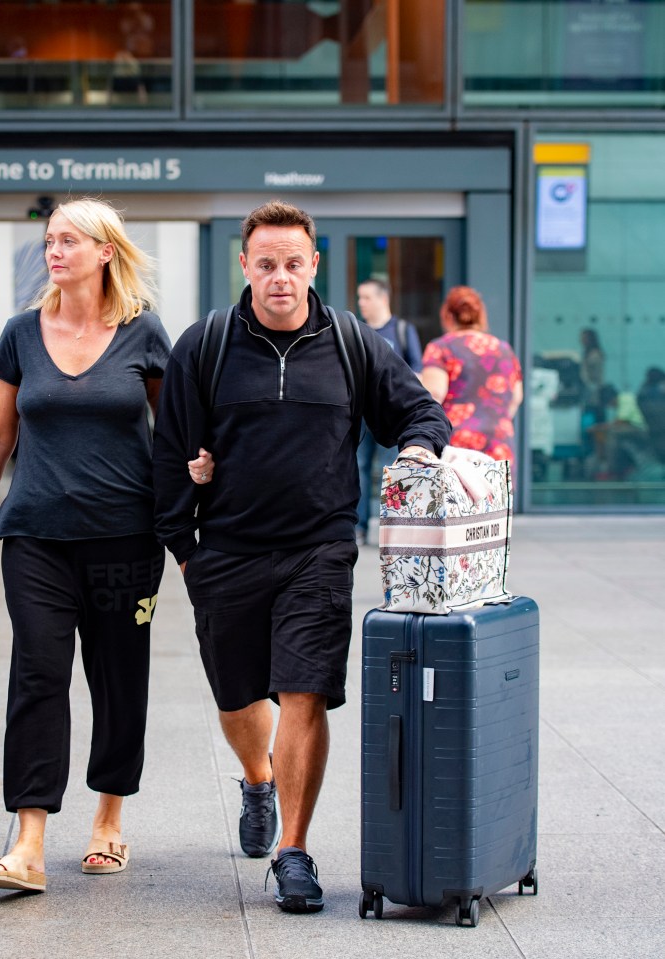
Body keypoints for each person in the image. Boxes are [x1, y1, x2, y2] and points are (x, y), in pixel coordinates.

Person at [152, 200, 450, 914]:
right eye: (266, 264)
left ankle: (293, 848)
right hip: (225, 551)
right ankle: (258, 775)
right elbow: (169, 452)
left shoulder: (351, 341)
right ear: (245, 266)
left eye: (293, 263)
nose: (279, 277)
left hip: (319, 549)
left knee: (303, 691)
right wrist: (187, 552)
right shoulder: (208, 344)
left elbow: (420, 411)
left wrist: (414, 450)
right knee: (238, 696)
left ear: (313, 264)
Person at [0, 198, 213, 895]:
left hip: (126, 540)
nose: (54, 249)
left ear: (106, 250)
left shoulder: (143, 332)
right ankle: (29, 839)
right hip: (36, 535)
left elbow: (174, 433)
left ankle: (108, 818)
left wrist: (191, 498)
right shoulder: (19, 333)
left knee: (116, 676)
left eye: (69, 239)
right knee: (38, 674)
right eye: (49, 239)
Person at [421, 286, 523, 470]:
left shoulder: (441, 347)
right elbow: (516, 397)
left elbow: (434, 394)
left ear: (448, 315)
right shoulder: (504, 349)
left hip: (457, 442)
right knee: (497, 496)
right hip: (498, 439)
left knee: (456, 497)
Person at [354, 278, 423, 545]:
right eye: (360, 298)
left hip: (391, 415)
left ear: (383, 299)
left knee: (389, 471)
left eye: (367, 297)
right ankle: (358, 529)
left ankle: (389, 529)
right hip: (360, 416)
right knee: (357, 469)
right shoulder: (357, 331)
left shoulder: (403, 330)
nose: (362, 303)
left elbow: (416, 371)